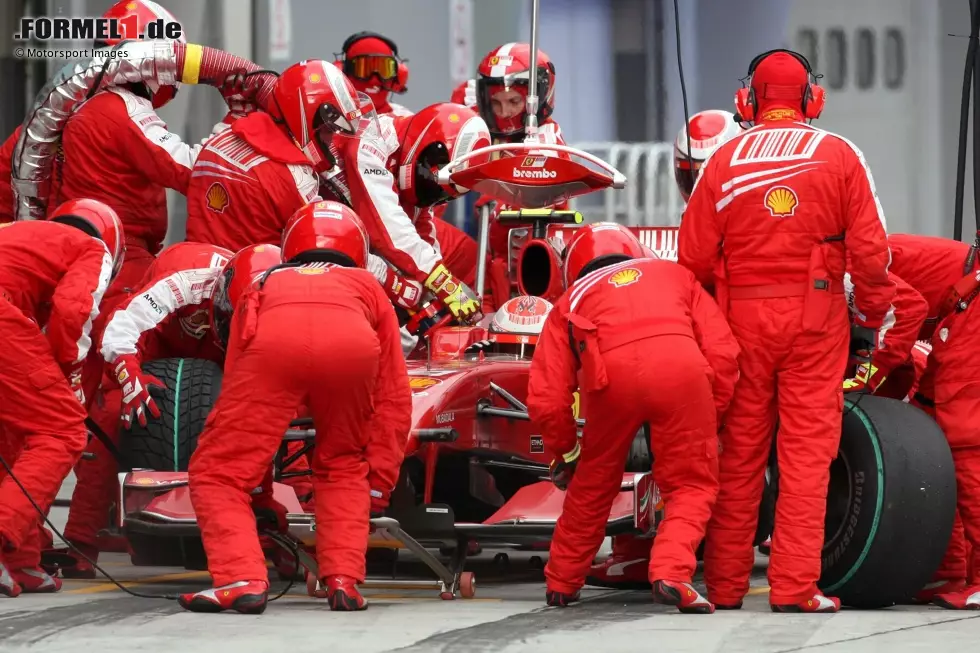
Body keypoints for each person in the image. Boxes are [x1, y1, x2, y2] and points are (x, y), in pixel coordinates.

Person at [678, 49, 897, 613]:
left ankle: (724, 587)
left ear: (748, 100)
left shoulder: (723, 159)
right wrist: (870, 321)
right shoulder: (842, 154)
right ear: (810, 99)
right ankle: (796, 589)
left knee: (738, 456)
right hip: (816, 323)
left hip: (739, 324)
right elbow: (873, 256)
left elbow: (693, 257)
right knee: (805, 457)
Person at [179, 201, 411, 614]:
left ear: (290, 247)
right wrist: (379, 483)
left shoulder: (264, 282)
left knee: (217, 471)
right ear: (358, 249)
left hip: (272, 348)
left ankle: (241, 578)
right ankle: (343, 582)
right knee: (343, 463)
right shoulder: (368, 286)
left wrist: (258, 488)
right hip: (353, 349)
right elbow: (393, 394)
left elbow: (236, 382)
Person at [527, 223, 740, 613]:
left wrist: (566, 451)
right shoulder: (675, 274)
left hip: (609, 382)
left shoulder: (569, 301)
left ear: (572, 268)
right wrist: (715, 417)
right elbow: (724, 354)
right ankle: (672, 573)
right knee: (692, 485)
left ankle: (561, 582)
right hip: (681, 372)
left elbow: (545, 399)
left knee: (592, 484)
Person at [589, 110, 745, 589]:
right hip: (695, 368)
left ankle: (705, 556)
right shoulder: (663, 246)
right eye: (691, 178)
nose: (700, 190)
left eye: (709, 177)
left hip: (748, 355)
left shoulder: (752, 230)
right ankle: (646, 549)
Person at [50, 241, 231, 577]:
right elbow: (119, 332)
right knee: (111, 417)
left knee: (273, 418)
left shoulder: (267, 298)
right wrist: (129, 375)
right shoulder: (182, 283)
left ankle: (295, 529)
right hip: (154, 339)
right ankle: (81, 543)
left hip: (223, 354)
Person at [0, 199, 123, 597]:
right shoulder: (92, 249)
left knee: (13, 439)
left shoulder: (16, 236)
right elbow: (73, 311)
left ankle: (19, 559)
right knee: (62, 432)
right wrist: (67, 377)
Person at [883, 233, 980, 609]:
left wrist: (867, 376)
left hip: (970, 310)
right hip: (954, 321)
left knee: (965, 443)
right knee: (929, 431)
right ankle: (949, 568)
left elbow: (905, 313)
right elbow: (901, 363)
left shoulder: (848, 263)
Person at [334, 31, 412, 117]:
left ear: (397, 75)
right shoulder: (327, 120)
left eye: (384, 70)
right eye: (364, 69)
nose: (374, 80)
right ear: (343, 72)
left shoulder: (407, 121)